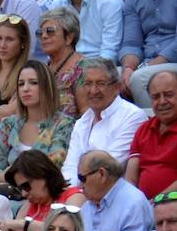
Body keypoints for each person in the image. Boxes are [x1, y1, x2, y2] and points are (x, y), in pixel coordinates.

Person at [61, 58, 148, 190]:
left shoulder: (132, 117)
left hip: (111, 195)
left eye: (100, 83)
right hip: (78, 194)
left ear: (116, 88)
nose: (93, 90)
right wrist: (66, 192)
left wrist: (74, 195)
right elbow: (70, 166)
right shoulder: (82, 122)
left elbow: (108, 168)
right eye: (88, 84)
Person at [0, 61, 74, 182]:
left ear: (46, 86)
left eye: (33, 83)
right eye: (21, 84)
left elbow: (52, 167)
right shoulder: (8, 124)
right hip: (8, 196)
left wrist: (10, 175)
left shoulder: (63, 124)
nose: (25, 89)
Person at [120, 0, 177, 107]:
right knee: (108, 78)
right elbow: (131, 41)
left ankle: (158, 129)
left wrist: (150, 65)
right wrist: (128, 68)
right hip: (147, 61)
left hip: (171, 60)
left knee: (140, 78)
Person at [78, 151, 153, 231]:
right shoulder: (89, 204)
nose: (80, 185)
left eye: (82, 178)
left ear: (102, 174)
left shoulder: (133, 203)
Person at [126, 69, 177, 200]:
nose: (162, 101)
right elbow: (131, 178)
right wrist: (134, 205)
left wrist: (156, 202)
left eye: (168, 95)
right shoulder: (144, 129)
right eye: (155, 97)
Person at [36, 5, 87, 120]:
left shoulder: (83, 68)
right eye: (40, 33)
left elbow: (87, 115)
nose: (43, 36)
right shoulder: (43, 69)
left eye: (50, 31)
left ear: (69, 37)